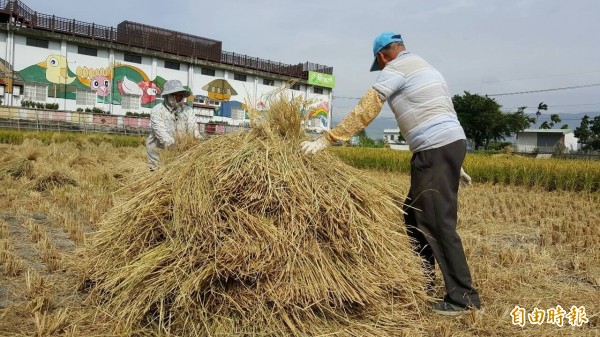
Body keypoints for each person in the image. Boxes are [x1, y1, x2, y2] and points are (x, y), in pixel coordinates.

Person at [300, 32, 481, 315]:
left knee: (436, 221)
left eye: (380, 64)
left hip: (435, 149)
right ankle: (423, 281)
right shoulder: (425, 67)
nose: (381, 68)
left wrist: (329, 139)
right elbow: (439, 113)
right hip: (445, 146)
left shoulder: (396, 68)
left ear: (382, 56)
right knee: (413, 214)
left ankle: (463, 297)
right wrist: (454, 163)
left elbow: (368, 107)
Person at [146, 79, 202, 171]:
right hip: (159, 151)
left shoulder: (188, 111)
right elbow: (162, 135)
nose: (178, 97)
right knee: (157, 176)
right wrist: (177, 147)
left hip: (180, 153)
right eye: (175, 95)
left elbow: (193, 130)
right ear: (168, 96)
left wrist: (199, 141)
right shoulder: (157, 111)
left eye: (180, 95)